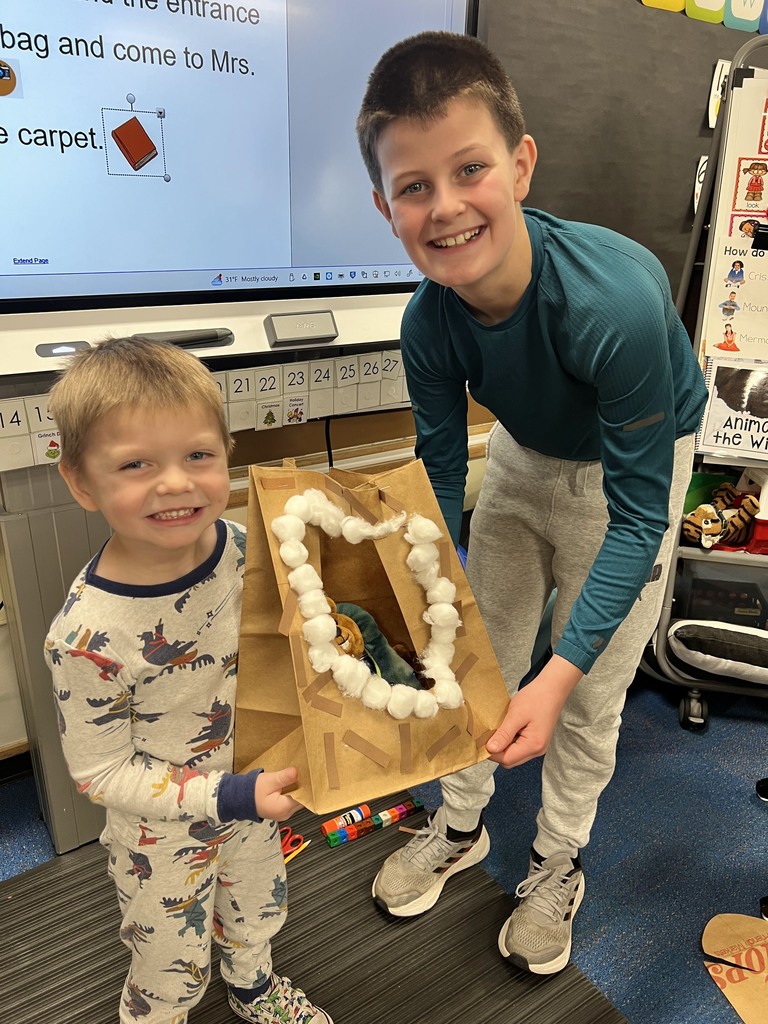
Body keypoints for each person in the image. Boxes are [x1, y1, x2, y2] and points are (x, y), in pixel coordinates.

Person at [356, 31, 707, 976]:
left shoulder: (612, 305)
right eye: (413, 187)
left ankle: (559, 858)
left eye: (470, 169)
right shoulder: (428, 322)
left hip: (629, 471)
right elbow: (436, 473)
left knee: (586, 689)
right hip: (519, 457)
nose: (446, 207)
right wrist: (424, 600)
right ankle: (459, 825)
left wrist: (556, 674)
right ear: (384, 205)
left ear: (520, 164)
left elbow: (640, 521)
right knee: (478, 655)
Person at [44, 337, 332, 1024]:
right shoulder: (88, 635)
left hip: (257, 793)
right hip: (161, 834)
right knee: (168, 961)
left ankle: (254, 984)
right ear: (83, 483)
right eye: (136, 464)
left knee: (259, 907)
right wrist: (226, 794)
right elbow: (100, 771)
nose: (175, 483)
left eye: (198, 456)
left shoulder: (245, 549)